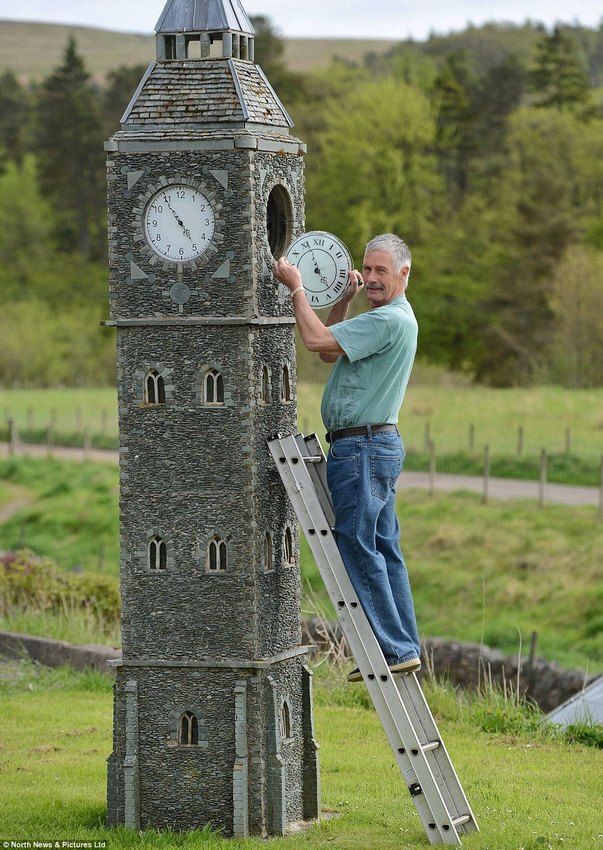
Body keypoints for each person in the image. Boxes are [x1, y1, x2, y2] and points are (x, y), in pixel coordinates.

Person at [273, 233, 421, 682]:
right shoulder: (389, 318)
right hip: (373, 445)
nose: (372, 277)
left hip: (361, 448)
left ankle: (392, 648)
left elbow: (315, 340)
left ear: (404, 273)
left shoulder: (387, 321)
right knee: (384, 547)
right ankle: (403, 645)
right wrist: (343, 302)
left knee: (357, 542)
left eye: (381, 271)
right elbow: (331, 350)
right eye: (368, 269)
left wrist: (297, 287)